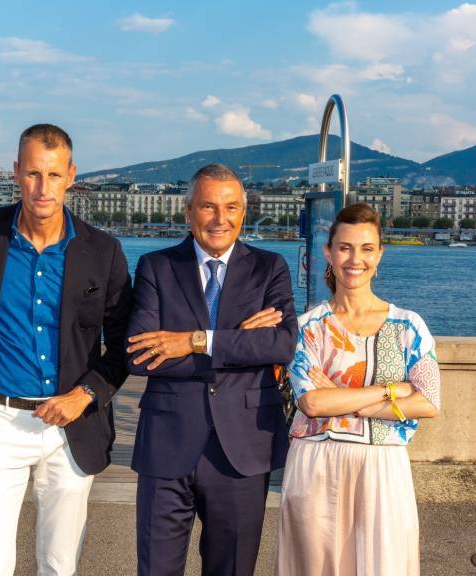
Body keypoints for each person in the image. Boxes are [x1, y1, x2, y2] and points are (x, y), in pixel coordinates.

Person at [0, 123, 133, 575]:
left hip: (71, 424)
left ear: (71, 175)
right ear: (17, 172)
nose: (43, 187)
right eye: (34, 173)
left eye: (54, 175)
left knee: (59, 564)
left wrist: (85, 395)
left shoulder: (104, 252)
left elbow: (122, 346)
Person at [126, 163, 298, 576]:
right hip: (167, 444)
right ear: (188, 212)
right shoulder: (156, 266)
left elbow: (281, 344)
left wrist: (193, 340)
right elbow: (141, 355)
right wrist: (239, 341)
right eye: (208, 206)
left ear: (244, 212)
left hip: (242, 447)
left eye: (231, 207)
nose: (221, 219)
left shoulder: (270, 268)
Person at [277, 203, 440, 575]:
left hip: (383, 467)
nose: (355, 259)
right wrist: (391, 390)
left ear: (379, 254)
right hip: (316, 465)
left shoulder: (408, 326)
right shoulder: (307, 327)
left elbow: (429, 401)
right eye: (345, 248)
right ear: (328, 252)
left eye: (366, 248)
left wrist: (342, 398)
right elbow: (312, 403)